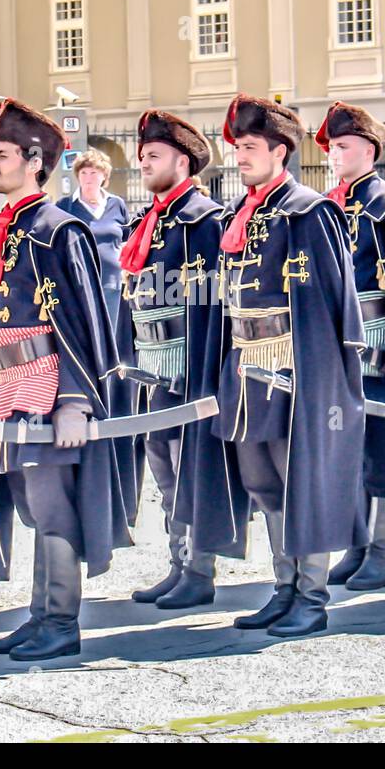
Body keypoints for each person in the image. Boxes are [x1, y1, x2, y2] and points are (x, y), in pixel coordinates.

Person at [0, 99, 136, 662]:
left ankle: (62, 622)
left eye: (2, 154)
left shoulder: (57, 230)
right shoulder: (6, 228)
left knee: (53, 506)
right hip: (8, 383)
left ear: (34, 162)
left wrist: (74, 402)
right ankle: (40, 615)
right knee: (32, 507)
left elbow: (85, 322)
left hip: (48, 384)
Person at [198, 93, 367, 639]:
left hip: (292, 370)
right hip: (245, 367)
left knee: (302, 480)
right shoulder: (242, 214)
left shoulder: (310, 211)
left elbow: (331, 302)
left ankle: (312, 598)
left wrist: (321, 382)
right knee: (262, 482)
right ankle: (284, 587)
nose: (239, 157)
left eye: (249, 148)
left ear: (280, 151)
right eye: (237, 148)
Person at [116, 109, 238, 610]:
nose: (143, 162)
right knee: (163, 465)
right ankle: (178, 560)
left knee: (192, 469)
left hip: (192, 366)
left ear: (183, 162)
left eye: (154, 155)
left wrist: (204, 371)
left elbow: (215, 303)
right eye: (142, 155)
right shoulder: (152, 221)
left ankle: (200, 568)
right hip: (155, 367)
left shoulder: (205, 222)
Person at [316, 102, 385, 592]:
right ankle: (356, 545)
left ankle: (381, 552)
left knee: (383, 458)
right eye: (331, 147)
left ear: (369, 149)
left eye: (342, 146)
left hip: (384, 350)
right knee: (349, 454)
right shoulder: (330, 205)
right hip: (341, 351)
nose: (334, 155)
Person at [58, 150, 128, 324]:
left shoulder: (117, 204)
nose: (88, 177)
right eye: (83, 172)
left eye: (94, 172)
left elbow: (127, 240)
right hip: (78, 286)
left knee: (110, 338)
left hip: (112, 283)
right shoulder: (65, 207)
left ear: (104, 176)